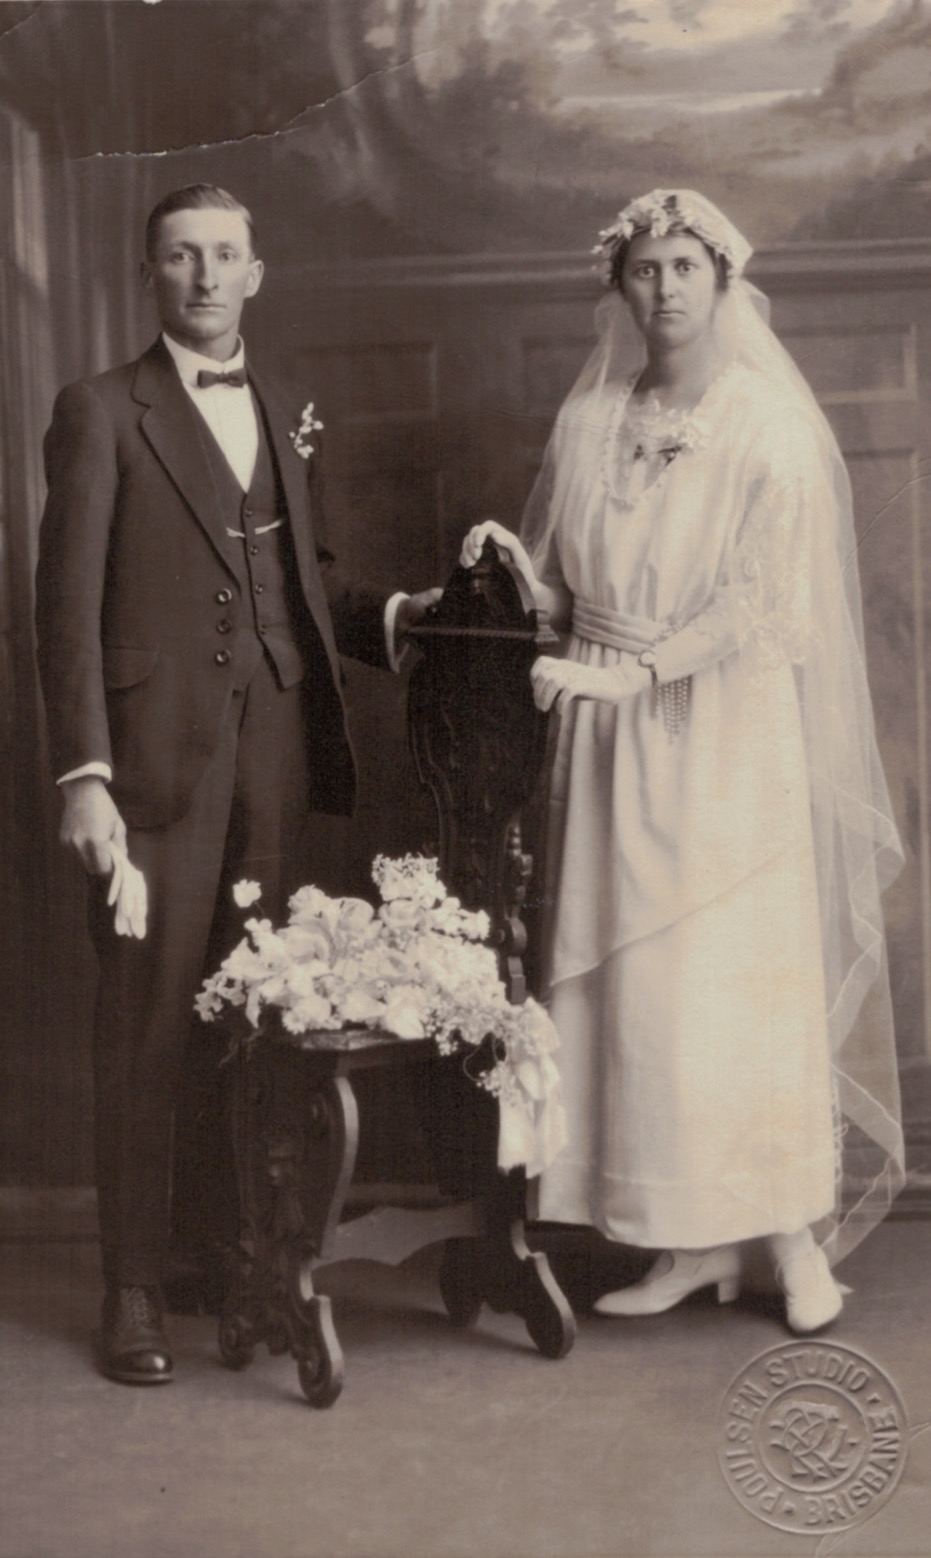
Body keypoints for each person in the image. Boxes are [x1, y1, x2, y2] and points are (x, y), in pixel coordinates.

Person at [461, 189, 905, 1335]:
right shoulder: (590, 419)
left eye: (682, 269)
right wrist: (513, 568)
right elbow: (570, 594)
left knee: (727, 985)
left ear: (722, 282)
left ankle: (788, 1239)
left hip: (714, 728)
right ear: (620, 287)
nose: (661, 290)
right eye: (643, 270)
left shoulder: (766, 427)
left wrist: (638, 675)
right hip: (602, 730)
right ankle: (687, 1237)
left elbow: (760, 605)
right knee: (641, 1000)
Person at [35, 184, 438, 1384]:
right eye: (180, 256)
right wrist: (85, 775)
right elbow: (64, 611)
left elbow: (307, 577)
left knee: (247, 1016)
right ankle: (133, 1285)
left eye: (224, 255)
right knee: (146, 1022)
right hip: (151, 764)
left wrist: (398, 618)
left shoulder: (287, 407)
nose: (205, 276)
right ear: (149, 274)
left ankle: (224, 1257)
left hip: (276, 752)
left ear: (256, 273)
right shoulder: (99, 409)